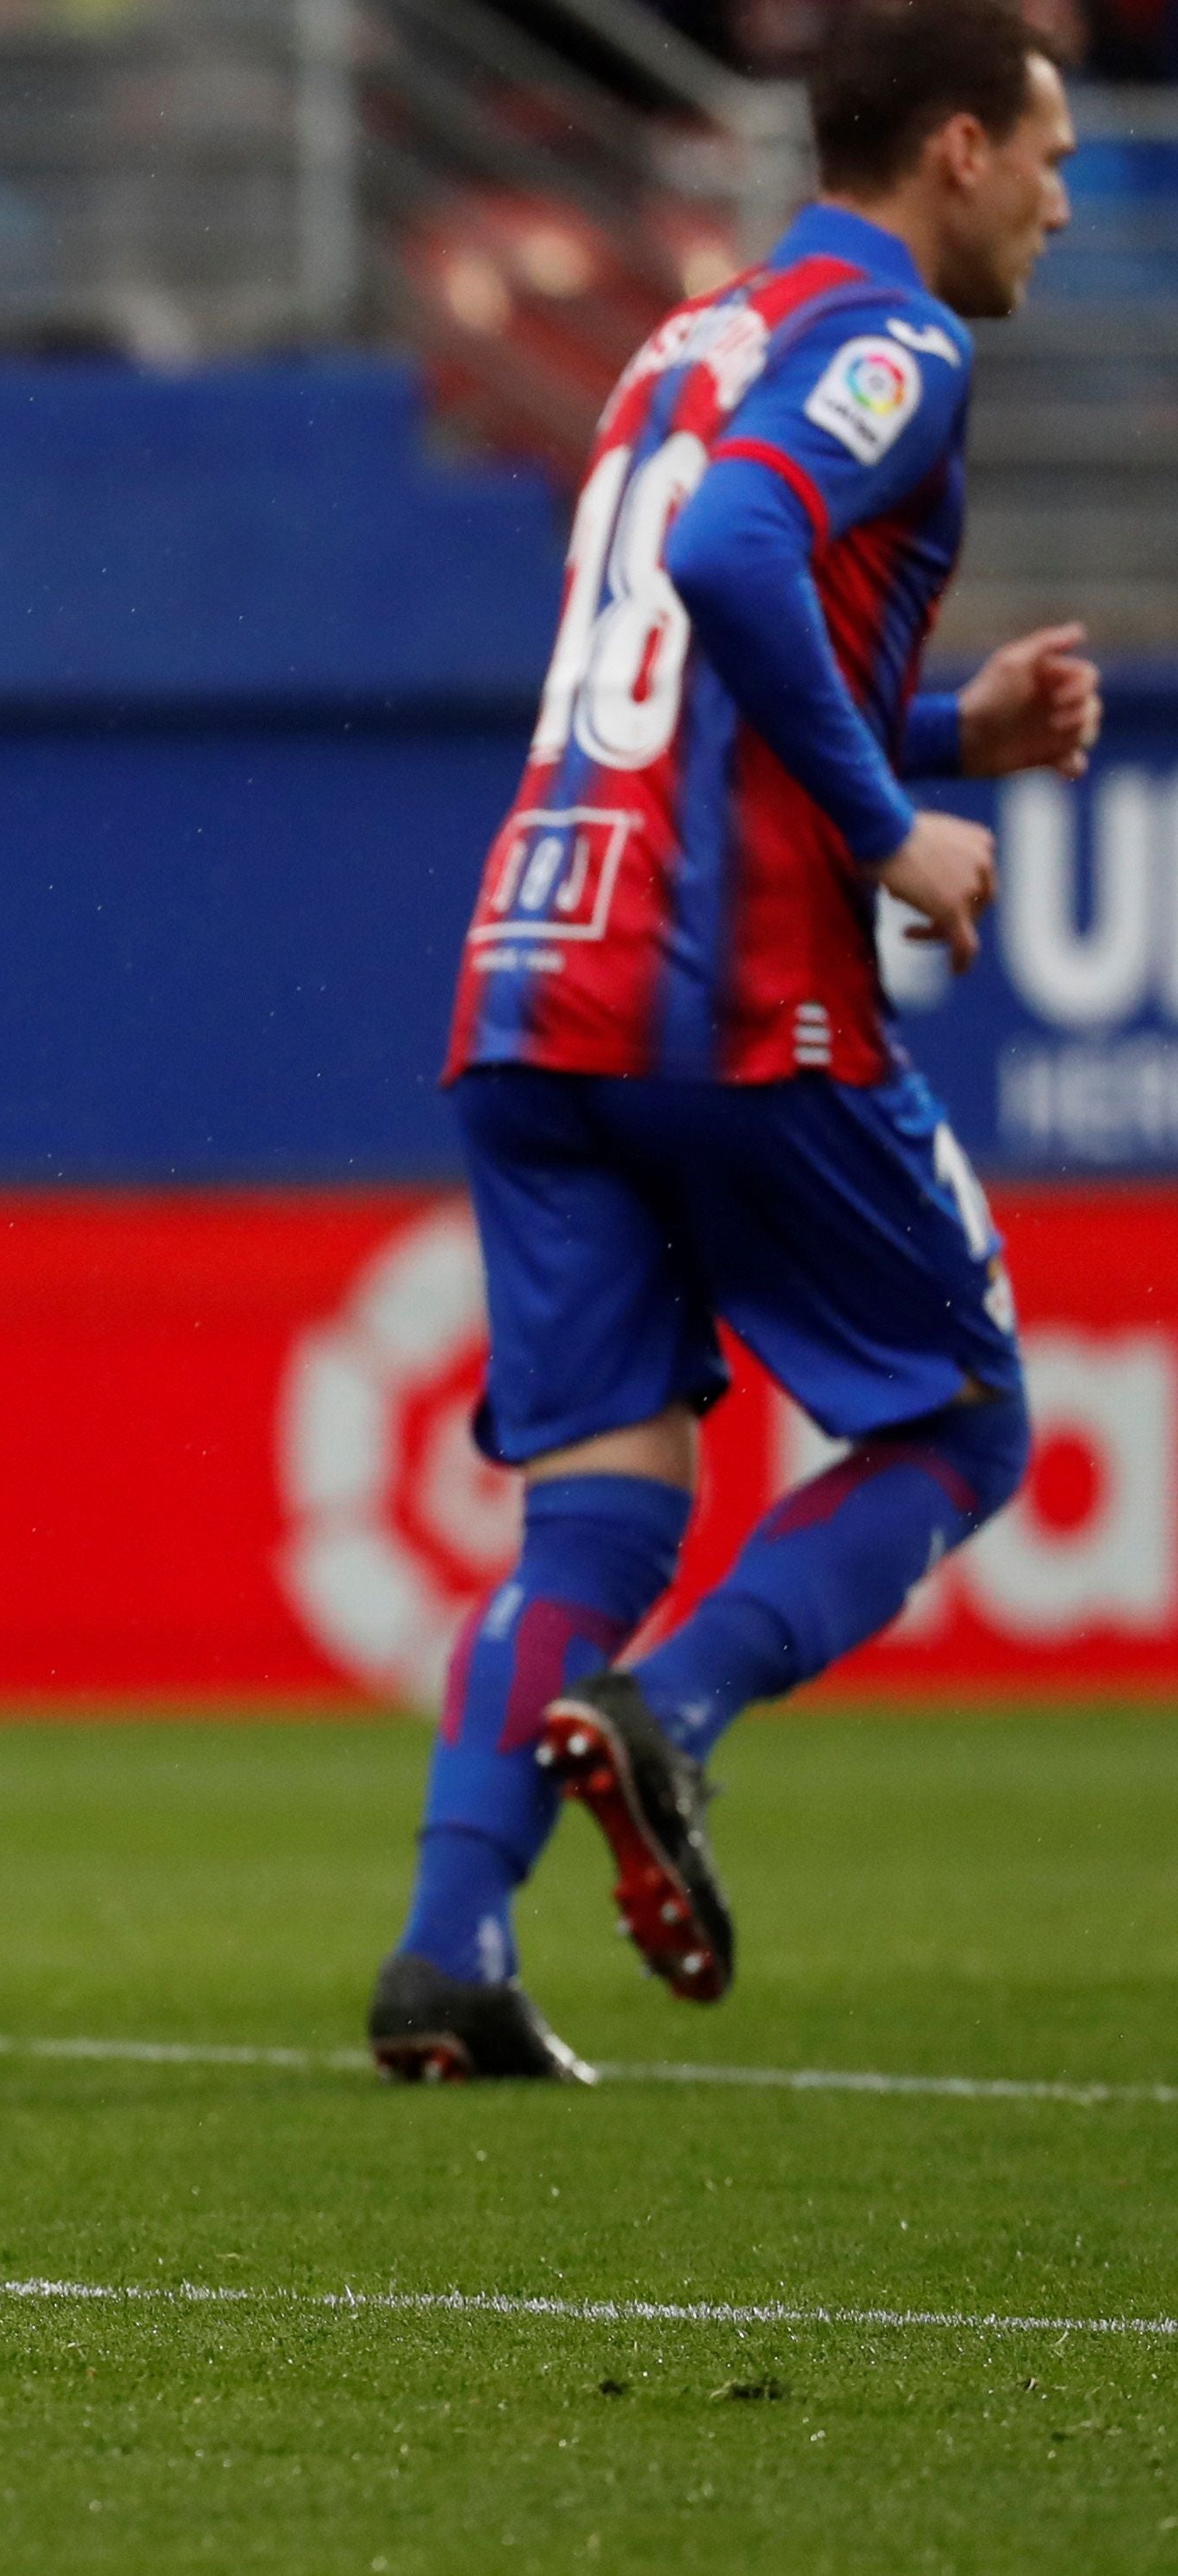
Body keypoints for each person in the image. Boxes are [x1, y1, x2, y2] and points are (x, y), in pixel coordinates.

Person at [385, 0, 1095, 2081]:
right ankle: (668, 1717)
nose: (1066, 199)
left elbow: (672, 643)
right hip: (728, 984)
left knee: (598, 1504)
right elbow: (732, 549)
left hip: (534, 968)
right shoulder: (900, 341)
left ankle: (447, 1951)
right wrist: (897, 826)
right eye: (1046, 155)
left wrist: (949, 727)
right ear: (953, 148)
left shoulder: (680, 339)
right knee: (962, 1426)